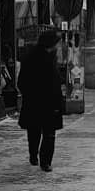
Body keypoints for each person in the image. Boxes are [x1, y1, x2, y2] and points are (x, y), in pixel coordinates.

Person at [17, 30, 65, 172]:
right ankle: (45, 162)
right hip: (48, 103)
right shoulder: (48, 59)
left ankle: (33, 155)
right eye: (56, 43)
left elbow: (21, 82)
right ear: (51, 43)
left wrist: (29, 95)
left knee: (34, 130)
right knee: (49, 134)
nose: (58, 46)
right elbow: (54, 83)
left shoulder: (30, 57)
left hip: (33, 102)